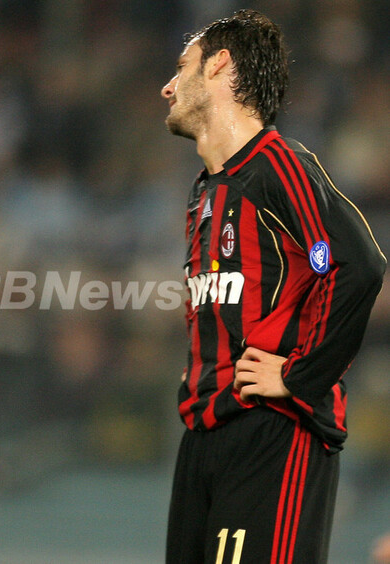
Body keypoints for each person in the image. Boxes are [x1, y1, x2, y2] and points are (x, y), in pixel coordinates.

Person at [160, 9, 385, 563]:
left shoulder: (278, 165)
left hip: (272, 431)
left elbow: (356, 264)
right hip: (204, 434)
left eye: (182, 67)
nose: (168, 86)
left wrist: (300, 374)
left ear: (219, 65)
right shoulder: (205, 190)